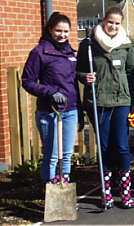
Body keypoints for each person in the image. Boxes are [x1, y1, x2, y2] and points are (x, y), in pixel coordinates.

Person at [76, 7, 134, 208]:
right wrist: (85, 77)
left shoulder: (126, 46)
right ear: (103, 21)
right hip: (99, 102)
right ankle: (106, 191)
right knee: (104, 148)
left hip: (121, 102)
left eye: (117, 23)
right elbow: (78, 71)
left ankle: (125, 192)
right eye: (110, 22)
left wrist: (133, 100)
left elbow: (130, 73)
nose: (113, 26)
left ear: (121, 25)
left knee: (121, 146)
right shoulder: (89, 44)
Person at [22, 12, 78, 186]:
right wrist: (51, 92)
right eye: (58, 31)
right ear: (50, 30)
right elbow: (27, 81)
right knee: (52, 155)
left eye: (66, 31)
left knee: (67, 154)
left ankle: (63, 192)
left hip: (70, 111)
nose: (62, 35)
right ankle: (50, 193)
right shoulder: (40, 52)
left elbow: (72, 82)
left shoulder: (70, 53)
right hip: (50, 112)